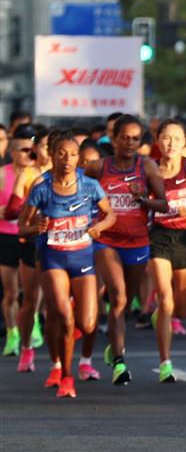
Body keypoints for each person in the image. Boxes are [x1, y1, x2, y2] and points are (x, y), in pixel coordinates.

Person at [17, 133, 116, 398]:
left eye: (73, 154)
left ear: (79, 157)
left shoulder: (90, 185)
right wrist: (35, 227)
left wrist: (99, 227)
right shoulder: (42, 188)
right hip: (53, 258)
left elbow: (111, 215)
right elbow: (21, 228)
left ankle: (76, 357)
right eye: (61, 153)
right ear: (52, 153)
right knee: (63, 315)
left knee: (87, 322)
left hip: (83, 257)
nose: (67, 159)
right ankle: (65, 375)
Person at [83, 115, 169, 385]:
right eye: (125, 137)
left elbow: (163, 204)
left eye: (135, 138)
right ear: (115, 139)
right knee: (118, 296)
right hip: (106, 240)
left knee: (124, 303)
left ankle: (114, 347)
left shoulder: (148, 166)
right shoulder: (98, 167)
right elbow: (81, 196)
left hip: (137, 242)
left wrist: (142, 199)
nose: (130, 143)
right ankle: (120, 362)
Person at [149, 119, 186, 383]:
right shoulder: (150, 169)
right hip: (159, 236)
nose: (170, 143)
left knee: (182, 310)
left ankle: (162, 314)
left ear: (185, 141)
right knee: (166, 299)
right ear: (157, 141)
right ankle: (165, 363)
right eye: (165, 138)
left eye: (176, 138)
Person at [6, 127, 49, 370]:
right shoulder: (28, 174)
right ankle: (26, 347)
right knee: (30, 298)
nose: (49, 151)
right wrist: (30, 207)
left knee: (59, 302)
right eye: (44, 146)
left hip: (61, 242)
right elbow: (12, 211)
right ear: (37, 149)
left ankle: (60, 363)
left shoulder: (70, 174)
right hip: (31, 240)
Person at [0, 127, 35, 356]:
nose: (28, 155)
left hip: (31, 236)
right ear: (12, 151)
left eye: (32, 151)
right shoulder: (3, 174)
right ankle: (12, 333)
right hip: (6, 237)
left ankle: (34, 326)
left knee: (32, 292)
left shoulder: (38, 175)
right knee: (11, 292)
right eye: (23, 150)